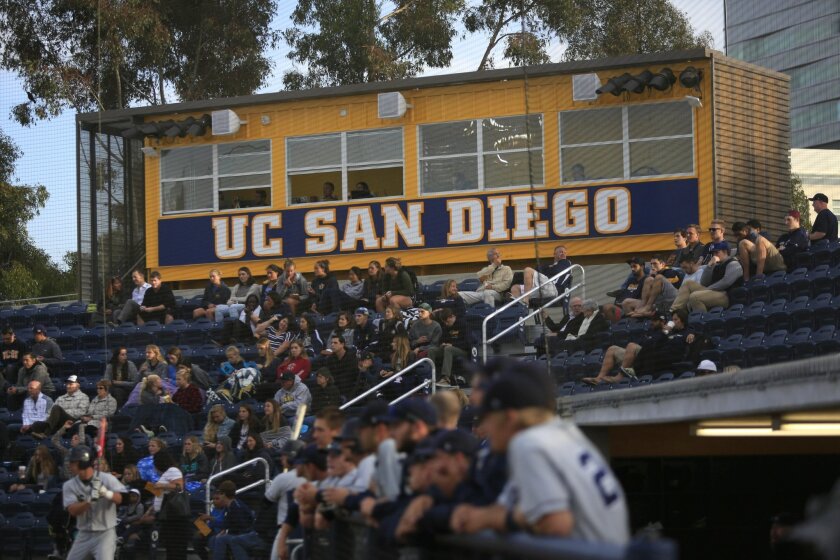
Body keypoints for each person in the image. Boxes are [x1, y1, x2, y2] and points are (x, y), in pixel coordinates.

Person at [451, 362, 629, 544]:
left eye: (486, 418)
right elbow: (504, 508)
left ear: (510, 418)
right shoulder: (559, 433)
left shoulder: (529, 443)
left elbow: (556, 523)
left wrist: (485, 518)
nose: (484, 426)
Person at [63, 445, 127, 560]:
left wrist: (107, 493)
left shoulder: (107, 478)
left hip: (105, 534)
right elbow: (72, 510)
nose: (70, 465)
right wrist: (89, 501)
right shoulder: (69, 485)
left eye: (73, 462)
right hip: (84, 534)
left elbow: (123, 498)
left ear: (83, 463)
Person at [670, 242, 743, 312]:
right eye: (713, 253)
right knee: (688, 283)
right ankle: (673, 312)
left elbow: (726, 282)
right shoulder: (716, 265)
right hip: (714, 292)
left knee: (694, 296)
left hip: (726, 296)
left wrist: (708, 289)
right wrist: (709, 266)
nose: (714, 255)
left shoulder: (733, 263)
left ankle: (702, 321)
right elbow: (704, 282)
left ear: (725, 252)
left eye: (717, 252)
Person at [149, 452, 189, 560]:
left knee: (176, 547)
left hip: (175, 516)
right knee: (170, 547)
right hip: (166, 516)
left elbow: (179, 487)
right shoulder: (165, 473)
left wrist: (162, 485)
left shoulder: (173, 470)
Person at [209, 480, 261, 560]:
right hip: (225, 532)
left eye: (218, 497)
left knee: (219, 539)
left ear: (223, 494)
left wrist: (211, 520)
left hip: (244, 534)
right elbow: (225, 524)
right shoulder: (227, 506)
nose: (215, 500)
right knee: (210, 538)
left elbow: (243, 526)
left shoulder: (236, 507)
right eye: (214, 498)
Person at [428, 308, 468, 386]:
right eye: (444, 322)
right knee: (431, 350)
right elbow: (443, 339)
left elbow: (467, 342)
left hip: (463, 349)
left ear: (451, 317)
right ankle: (430, 377)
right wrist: (442, 343)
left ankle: (446, 379)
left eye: (447, 321)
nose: (446, 324)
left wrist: (453, 345)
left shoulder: (463, 324)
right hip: (449, 348)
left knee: (448, 349)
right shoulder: (446, 326)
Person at [325, 335, 360, 399]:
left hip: (349, 389)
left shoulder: (352, 358)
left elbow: (350, 377)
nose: (332, 345)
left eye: (335, 343)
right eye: (331, 343)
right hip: (335, 388)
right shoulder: (330, 359)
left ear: (342, 344)